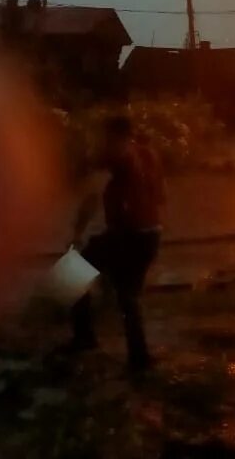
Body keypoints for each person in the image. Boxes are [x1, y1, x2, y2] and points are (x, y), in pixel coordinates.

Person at [66, 114, 165, 374]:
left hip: (128, 235)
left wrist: (77, 233)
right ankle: (138, 357)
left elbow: (91, 196)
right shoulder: (147, 154)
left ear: (114, 137)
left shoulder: (115, 159)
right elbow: (159, 196)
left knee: (71, 276)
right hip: (151, 234)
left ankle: (85, 338)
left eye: (104, 137)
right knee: (128, 295)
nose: (101, 142)